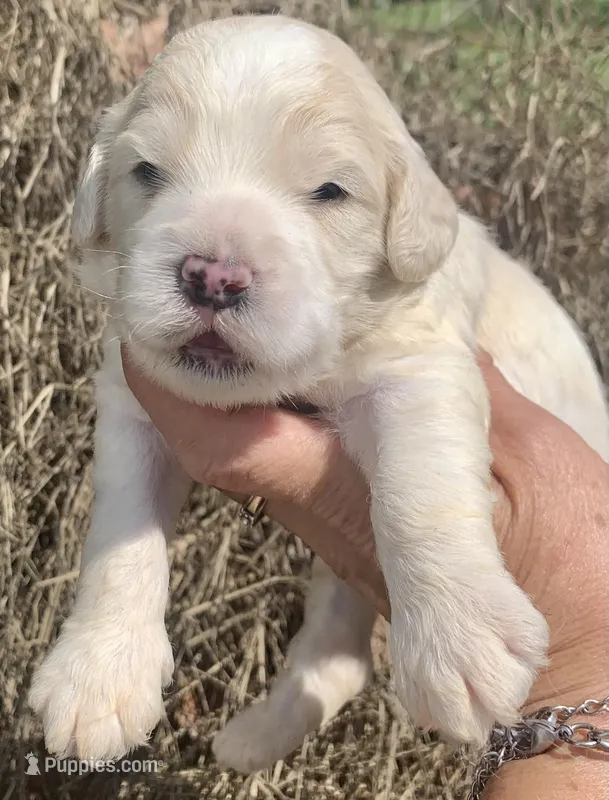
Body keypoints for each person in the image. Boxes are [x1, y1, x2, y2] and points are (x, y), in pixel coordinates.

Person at [121, 347, 608, 799]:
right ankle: (334, 648)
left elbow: (429, 376)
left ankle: (334, 650)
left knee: (387, 483)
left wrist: (571, 672)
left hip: (537, 469)